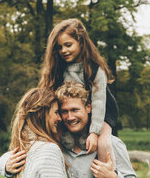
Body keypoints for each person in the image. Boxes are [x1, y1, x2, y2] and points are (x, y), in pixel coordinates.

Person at [0, 82, 138, 178]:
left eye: (74, 110)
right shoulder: (54, 143)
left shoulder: (110, 144)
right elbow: (28, 150)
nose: (70, 117)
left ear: (88, 108)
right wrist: (4, 164)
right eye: (64, 111)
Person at [1, 87, 83, 178]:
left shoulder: (19, 151)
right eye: (56, 112)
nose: (60, 119)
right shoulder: (47, 151)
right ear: (42, 113)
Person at [38, 18, 118, 165]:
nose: (63, 51)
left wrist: (94, 133)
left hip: (102, 112)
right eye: (59, 47)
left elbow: (99, 103)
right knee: (55, 143)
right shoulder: (58, 69)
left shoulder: (94, 70)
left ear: (81, 42)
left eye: (68, 45)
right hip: (72, 112)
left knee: (103, 144)